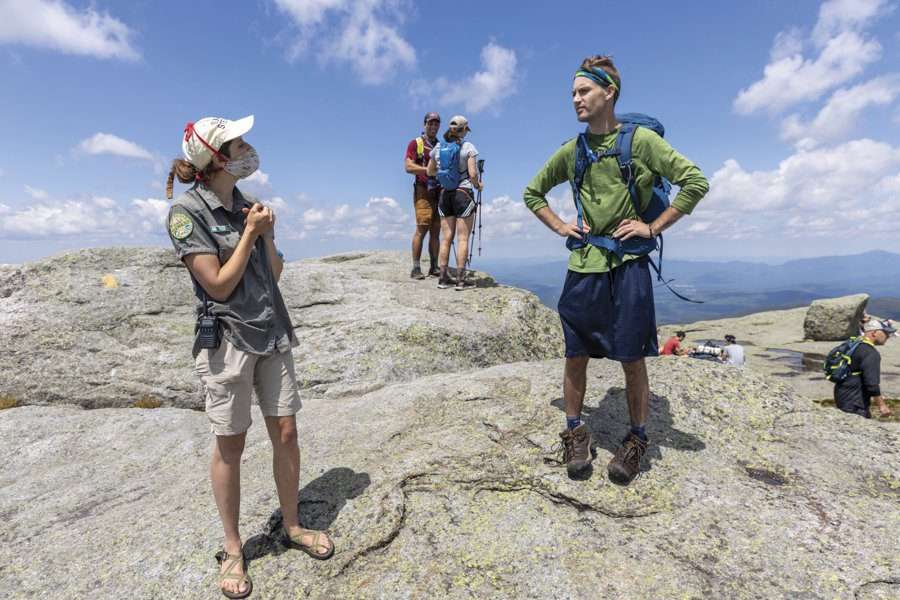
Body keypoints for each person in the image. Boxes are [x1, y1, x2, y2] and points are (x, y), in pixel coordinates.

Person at [165, 115, 333, 599]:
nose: (248, 148)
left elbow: (274, 273)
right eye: (238, 143)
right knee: (231, 445)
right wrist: (248, 234)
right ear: (216, 157)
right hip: (228, 341)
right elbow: (216, 283)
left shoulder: (246, 206)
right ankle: (234, 547)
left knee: (286, 430)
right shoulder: (186, 212)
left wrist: (267, 233)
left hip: (271, 330)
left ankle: (294, 525)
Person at [523, 55, 709, 485]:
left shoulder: (640, 142)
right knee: (575, 354)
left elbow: (695, 180)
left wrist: (652, 226)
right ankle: (574, 431)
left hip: (627, 266)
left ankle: (637, 437)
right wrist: (563, 226)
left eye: (584, 91)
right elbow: (533, 192)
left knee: (632, 358)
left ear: (610, 93)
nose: (575, 99)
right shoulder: (574, 150)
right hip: (585, 264)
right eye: (572, 92)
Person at [427, 115, 483, 290]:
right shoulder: (468, 147)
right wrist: (478, 185)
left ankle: (443, 279)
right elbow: (473, 174)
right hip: (463, 193)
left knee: (446, 238)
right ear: (464, 130)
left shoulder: (438, 147)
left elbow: (429, 171)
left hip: (445, 195)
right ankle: (460, 280)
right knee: (463, 238)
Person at [404, 112, 442, 279]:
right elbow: (408, 166)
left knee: (436, 230)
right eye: (430, 123)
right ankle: (416, 268)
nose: (433, 126)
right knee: (422, 228)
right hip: (423, 190)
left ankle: (434, 267)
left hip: (439, 191)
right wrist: (426, 170)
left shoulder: (441, 146)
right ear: (424, 124)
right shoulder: (416, 143)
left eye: (436, 123)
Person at [833, 319, 895, 419]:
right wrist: (882, 406)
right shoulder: (870, 353)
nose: (888, 336)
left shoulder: (853, 345)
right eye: (885, 332)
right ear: (874, 332)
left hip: (841, 394)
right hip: (856, 402)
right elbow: (872, 384)